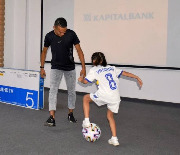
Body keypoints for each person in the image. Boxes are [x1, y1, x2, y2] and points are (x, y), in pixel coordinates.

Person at [78, 52, 143, 146]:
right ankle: (114, 139)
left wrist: (81, 79)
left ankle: (87, 122)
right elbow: (124, 73)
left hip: (104, 94)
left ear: (94, 61)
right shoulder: (112, 68)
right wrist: (136, 77)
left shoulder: (94, 70)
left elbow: (85, 82)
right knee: (110, 116)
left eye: (93, 60)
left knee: (85, 98)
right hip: (115, 97)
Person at [41, 17, 86, 126]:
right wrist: (42, 67)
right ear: (54, 28)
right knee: (53, 91)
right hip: (55, 67)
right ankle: (52, 117)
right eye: (60, 32)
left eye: (64, 32)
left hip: (70, 68)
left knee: (71, 91)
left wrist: (84, 67)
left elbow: (79, 50)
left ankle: (70, 114)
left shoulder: (71, 34)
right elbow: (44, 51)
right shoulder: (49, 36)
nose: (62, 34)